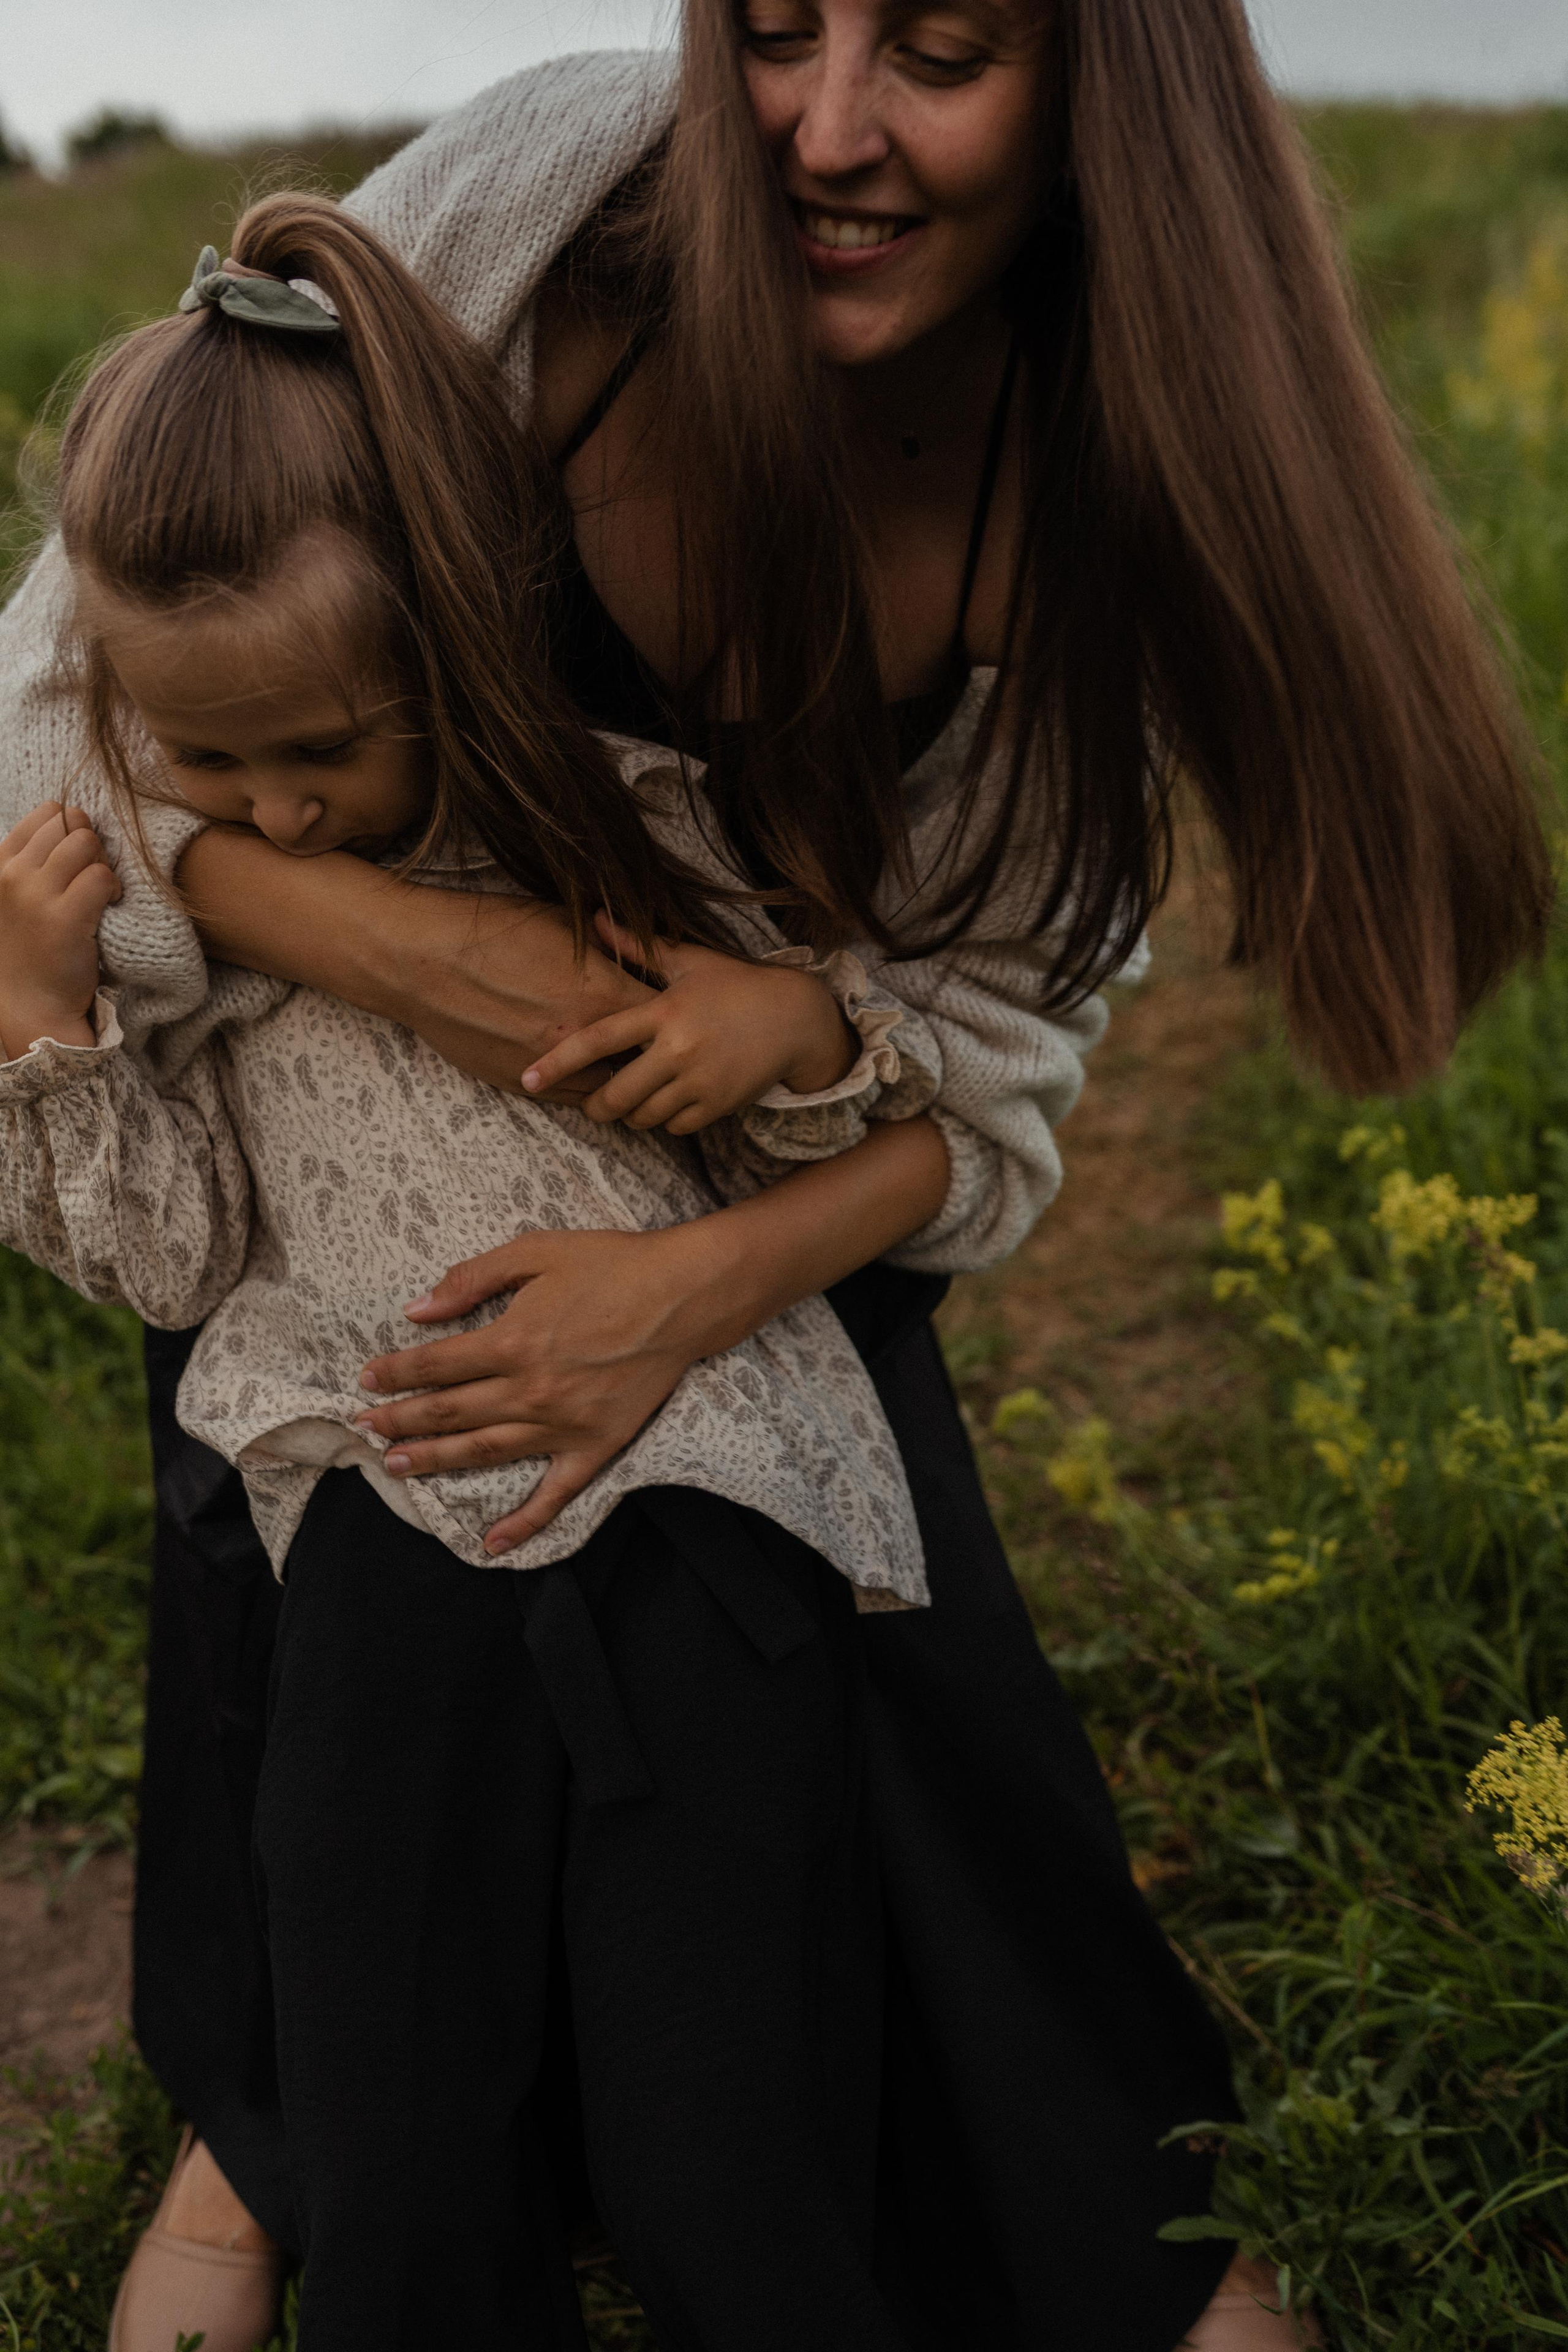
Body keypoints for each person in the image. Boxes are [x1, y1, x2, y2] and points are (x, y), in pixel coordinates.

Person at [0, 0, 1548, 2340]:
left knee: (867, 1695)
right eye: (782, 27)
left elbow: (987, 1116)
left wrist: (704, 1272)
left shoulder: (1104, 506)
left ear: (1107, 85)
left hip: (770, 1198)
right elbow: (66, 703)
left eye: (941, 50)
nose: (830, 129)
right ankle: (276, 2127)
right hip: (334, 1186)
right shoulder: (569, 203)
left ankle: (1107, 2228)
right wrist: (397, 941)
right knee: (355, 1678)